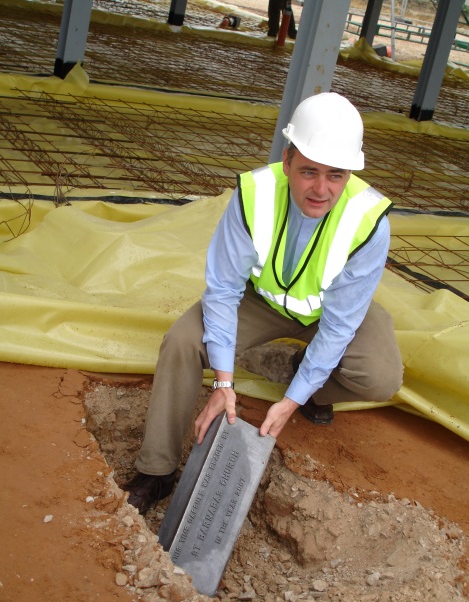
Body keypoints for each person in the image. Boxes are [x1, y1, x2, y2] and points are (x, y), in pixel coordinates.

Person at [123, 92, 404, 515]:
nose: (321, 189)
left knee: (381, 377)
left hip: (330, 310)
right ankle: (157, 470)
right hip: (262, 300)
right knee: (182, 341)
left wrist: (293, 398)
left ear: (350, 174)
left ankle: (309, 388)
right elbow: (222, 290)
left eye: (336, 175)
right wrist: (222, 382)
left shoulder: (368, 222)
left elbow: (341, 326)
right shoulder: (254, 194)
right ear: (287, 160)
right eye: (309, 171)